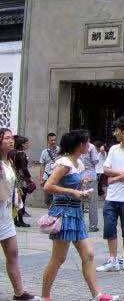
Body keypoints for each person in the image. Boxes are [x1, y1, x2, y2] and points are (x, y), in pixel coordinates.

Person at [41, 130, 119, 301]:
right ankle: (45, 296)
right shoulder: (64, 163)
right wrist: (73, 192)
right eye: (87, 142)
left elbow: (72, 184)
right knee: (58, 258)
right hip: (64, 213)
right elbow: (48, 186)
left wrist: (82, 187)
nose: (89, 145)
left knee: (88, 254)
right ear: (79, 145)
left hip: (76, 213)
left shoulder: (78, 162)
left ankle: (97, 295)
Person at [96, 118, 124, 273]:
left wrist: (115, 178)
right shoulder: (114, 149)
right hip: (111, 198)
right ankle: (113, 259)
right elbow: (105, 169)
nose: (114, 133)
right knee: (109, 228)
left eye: (116, 130)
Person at [0, 128, 39, 300]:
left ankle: (19, 293)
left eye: (11, 138)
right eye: (6, 138)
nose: (11, 140)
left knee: (13, 253)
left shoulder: (9, 161)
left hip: (6, 213)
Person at [10, 136, 34, 227]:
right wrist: (29, 178)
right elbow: (24, 168)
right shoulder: (22, 154)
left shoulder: (11, 152)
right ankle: (20, 220)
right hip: (21, 180)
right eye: (26, 143)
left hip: (12, 178)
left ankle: (14, 219)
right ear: (22, 144)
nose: (28, 145)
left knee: (14, 200)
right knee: (21, 200)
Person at [80, 136, 101, 232]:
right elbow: (95, 160)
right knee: (92, 202)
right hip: (91, 176)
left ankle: (79, 224)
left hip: (80, 176)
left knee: (79, 200)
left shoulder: (77, 145)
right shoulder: (91, 147)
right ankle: (93, 225)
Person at [40, 133, 60, 207]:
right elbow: (42, 166)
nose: (53, 142)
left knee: (57, 197)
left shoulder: (60, 151)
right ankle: (50, 210)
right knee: (47, 198)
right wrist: (41, 178)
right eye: (51, 140)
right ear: (48, 141)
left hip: (57, 176)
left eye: (54, 140)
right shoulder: (44, 152)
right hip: (47, 176)